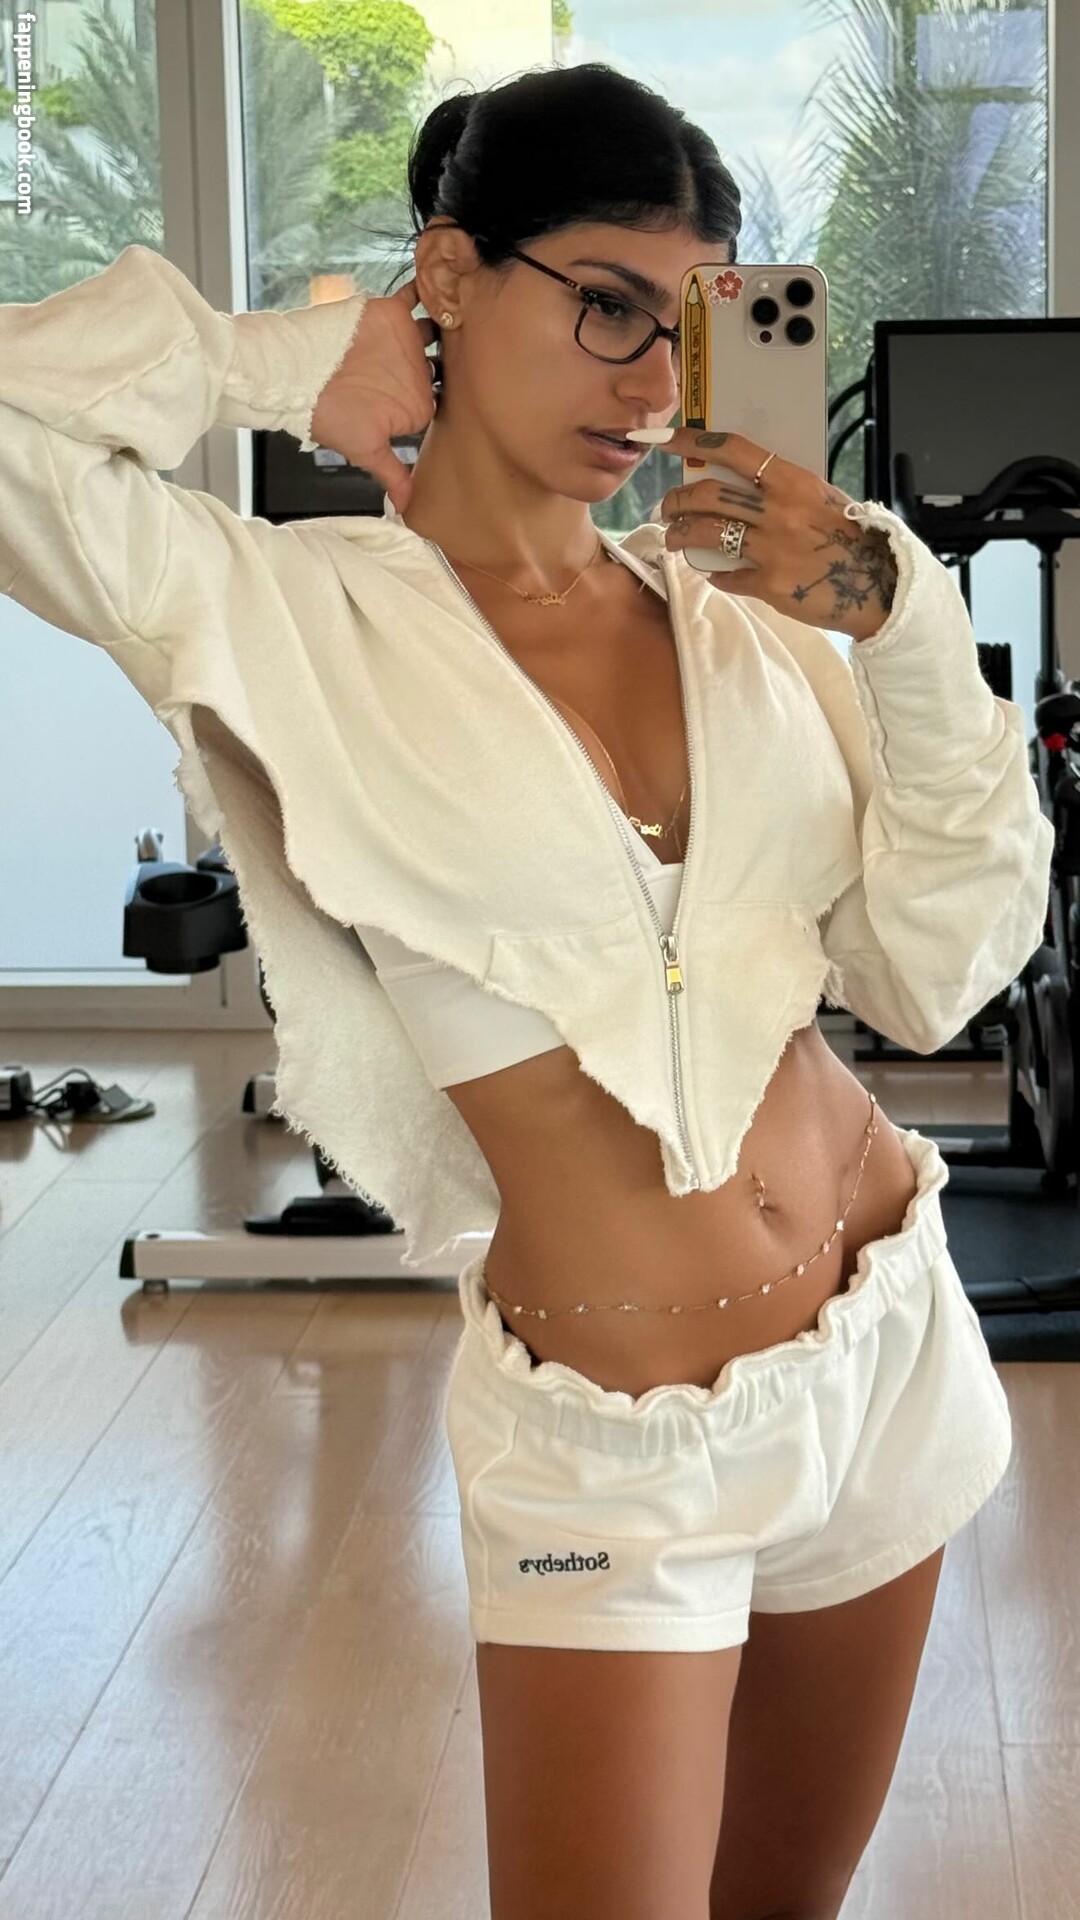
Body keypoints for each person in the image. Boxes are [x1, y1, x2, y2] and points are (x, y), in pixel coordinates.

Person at [1, 61, 1052, 1920]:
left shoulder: (746, 620)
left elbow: (932, 966)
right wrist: (278, 360)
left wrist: (891, 616)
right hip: (618, 1446)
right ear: (452, 276)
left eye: (688, 328)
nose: (649, 387)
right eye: (606, 305)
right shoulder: (284, 611)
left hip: (887, 1337)